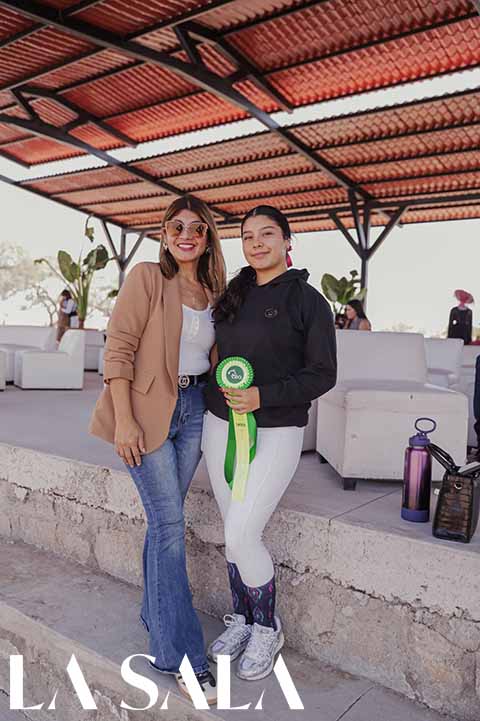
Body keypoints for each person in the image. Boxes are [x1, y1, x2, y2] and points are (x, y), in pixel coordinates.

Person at [89, 196, 226, 705]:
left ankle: (156, 614)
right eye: (176, 226)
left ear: (207, 238)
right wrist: (125, 420)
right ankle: (183, 658)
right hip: (148, 415)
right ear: (164, 234)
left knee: (163, 522)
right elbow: (118, 348)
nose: (186, 234)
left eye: (197, 227)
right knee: (169, 526)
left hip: (195, 411)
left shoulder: (214, 291)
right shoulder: (147, 277)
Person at [201, 205, 337, 682]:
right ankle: (241, 619)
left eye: (267, 234)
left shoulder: (308, 301)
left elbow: (323, 374)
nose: (257, 243)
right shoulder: (233, 294)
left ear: (287, 241)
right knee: (231, 530)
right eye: (248, 236)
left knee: (243, 534)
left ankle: (266, 628)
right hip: (219, 426)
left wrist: (263, 395)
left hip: (277, 429)